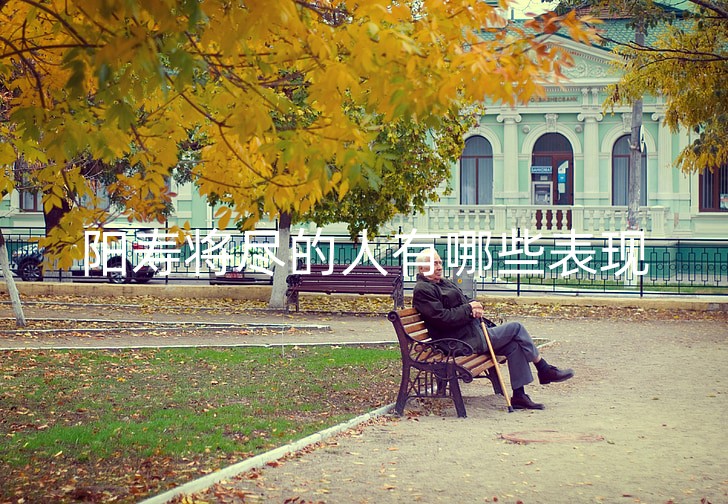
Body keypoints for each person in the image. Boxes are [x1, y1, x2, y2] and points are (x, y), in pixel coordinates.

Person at [412, 248, 574, 410]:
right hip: (458, 341)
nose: (439, 266)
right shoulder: (423, 290)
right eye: (434, 263)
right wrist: (469, 309)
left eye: (440, 262)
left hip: (470, 333)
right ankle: (544, 369)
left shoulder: (443, 283)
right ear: (421, 268)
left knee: (514, 346)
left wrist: (475, 306)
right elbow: (443, 319)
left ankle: (519, 396)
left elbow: (465, 300)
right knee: (516, 328)